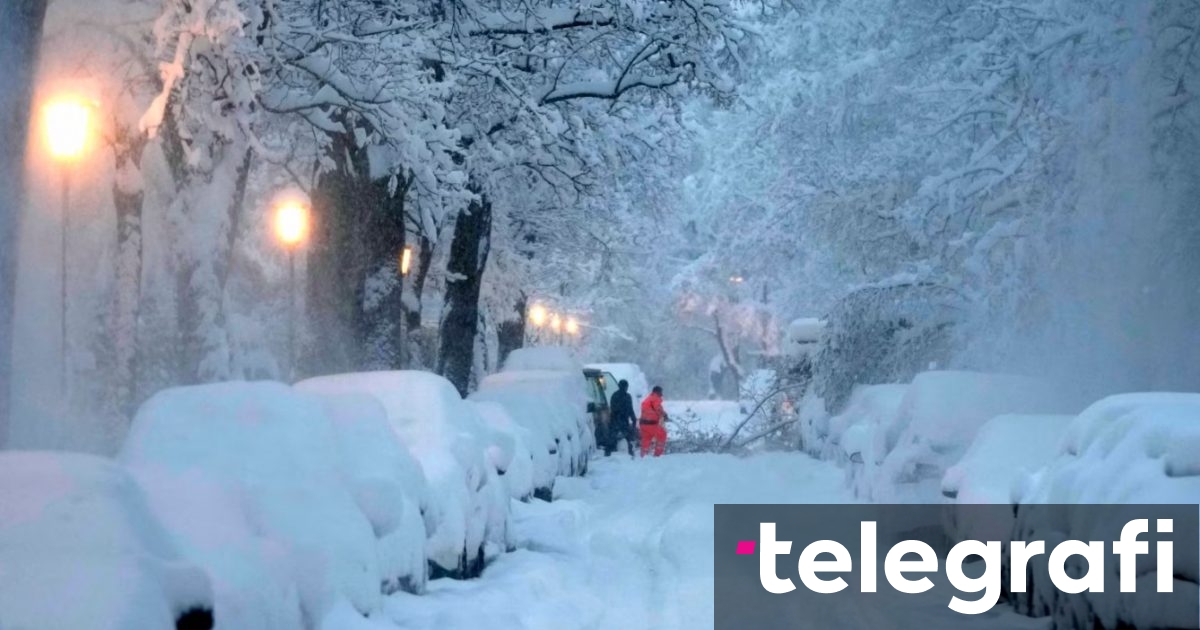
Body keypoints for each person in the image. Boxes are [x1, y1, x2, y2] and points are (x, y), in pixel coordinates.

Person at [608, 379, 638, 457]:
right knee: (628, 437)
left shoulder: (614, 395)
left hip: (614, 420)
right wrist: (633, 419)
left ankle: (609, 454)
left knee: (612, 439)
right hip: (624, 421)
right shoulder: (627, 396)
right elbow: (630, 409)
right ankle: (630, 454)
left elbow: (612, 408)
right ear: (626, 387)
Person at [639, 386, 669, 457]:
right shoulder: (655, 398)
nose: (661, 394)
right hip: (651, 424)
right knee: (662, 435)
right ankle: (658, 454)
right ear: (657, 392)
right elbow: (658, 408)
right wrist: (664, 415)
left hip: (643, 423)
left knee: (646, 439)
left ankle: (643, 455)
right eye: (661, 392)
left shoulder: (648, 398)